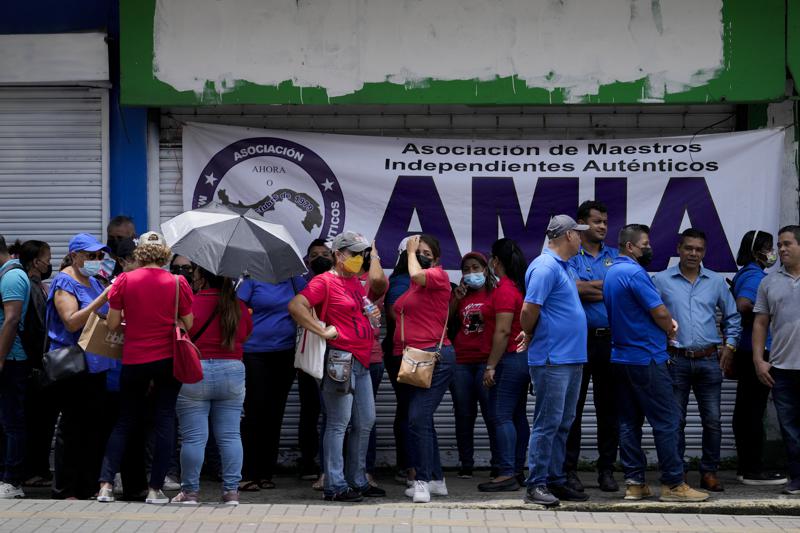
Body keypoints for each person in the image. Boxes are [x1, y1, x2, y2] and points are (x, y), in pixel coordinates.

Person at [604, 224, 708, 503]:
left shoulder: (611, 272)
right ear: (630, 247)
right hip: (646, 358)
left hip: (620, 357)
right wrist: (670, 328)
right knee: (668, 420)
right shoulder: (635, 273)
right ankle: (674, 484)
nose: (649, 248)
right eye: (645, 244)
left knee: (628, 422)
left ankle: (635, 483)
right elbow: (659, 311)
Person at [289, 231, 387, 502]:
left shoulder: (354, 282)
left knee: (365, 421)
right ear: (339, 254)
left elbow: (375, 291)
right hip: (340, 360)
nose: (359, 259)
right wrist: (320, 330)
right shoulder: (325, 282)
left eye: (361, 254)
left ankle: (357, 479)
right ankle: (335, 484)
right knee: (338, 423)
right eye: (354, 254)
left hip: (362, 360)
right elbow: (296, 306)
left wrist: (371, 316)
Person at [97, 231, 194, 504]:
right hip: (167, 359)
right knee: (164, 420)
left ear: (139, 254)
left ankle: (105, 485)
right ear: (164, 254)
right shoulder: (178, 282)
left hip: (134, 359)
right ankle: (155, 490)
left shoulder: (125, 280)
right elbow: (189, 322)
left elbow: (114, 324)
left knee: (125, 420)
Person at [653, 228, 741, 492]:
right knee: (674, 421)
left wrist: (730, 346)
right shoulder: (661, 281)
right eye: (688, 248)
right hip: (675, 360)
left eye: (698, 249)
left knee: (712, 420)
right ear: (678, 249)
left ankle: (709, 472)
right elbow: (650, 316)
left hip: (708, 360)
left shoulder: (715, 281)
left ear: (704, 252)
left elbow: (733, 317)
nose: (693, 253)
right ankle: (676, 473)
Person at [518, 215, 588, 507]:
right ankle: (536, 484)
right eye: (579, 233)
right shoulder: (546, 267)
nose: (582, 238)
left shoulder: (563, 266)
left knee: (563, 423)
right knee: (548, 423)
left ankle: (555, 479)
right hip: (552, 358)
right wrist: (530, 333)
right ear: (568, 235)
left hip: (570, 357)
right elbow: (528, 309)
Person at [171, 267, 253, 505]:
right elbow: (245, 335)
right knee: (230, 436)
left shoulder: (190, 304)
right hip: (232, 371)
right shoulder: (237, 305)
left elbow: (180, 333)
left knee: (194, 439)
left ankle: (190, 493)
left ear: (202, 278)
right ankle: (231, 493)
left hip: (195, 371)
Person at [47, 233, 115, 500]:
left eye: (99, 256)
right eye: (90, 255)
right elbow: (71, 322)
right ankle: (65, 490)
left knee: (94, 428)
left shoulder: (95, 281)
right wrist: (103, 299)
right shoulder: (65, 281)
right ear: (74, 256)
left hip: (96, 365)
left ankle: (87, 486)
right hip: (74, 367)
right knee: (73, 428)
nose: (96, 260)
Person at [564, 201, 620, 493]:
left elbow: (621, 288)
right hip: (579, 341)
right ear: (582, 224)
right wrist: (604, 287)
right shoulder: (572, 255)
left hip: (610, 341)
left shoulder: (616, 255)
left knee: (608, 411)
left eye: (605, 222)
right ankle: (570, 470)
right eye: (596, 221)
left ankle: (606, 470)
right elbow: (571, 289)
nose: (602, 227)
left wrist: (592, 287)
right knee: (572, 409)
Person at [393, 234, 454, 504]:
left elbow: (417, 275)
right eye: (418, 251)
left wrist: (410, 252)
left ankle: (421, 481)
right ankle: (437, 480)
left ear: (436, 258)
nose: (420, 254)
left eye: (425, 252)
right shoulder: (414, 288)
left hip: (433, 357)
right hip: (412, 358)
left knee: (417, 418)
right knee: (422, 419)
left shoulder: (437, 276)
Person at [237, 266, 307, 491]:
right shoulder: (251, 279)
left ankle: (266, 472)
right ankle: (248, 473)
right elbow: (237, 309)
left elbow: (309, 305)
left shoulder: (295, 280)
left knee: (275, 413)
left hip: (285, 353)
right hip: (254, 352)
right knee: (254, 412)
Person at [731, 230, 787, 485]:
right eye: (769, 247)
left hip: (746, 349)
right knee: (753, 411)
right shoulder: (755, 276)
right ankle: (752, 469)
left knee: (747, 409)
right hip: (755, 350)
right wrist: (766, 316)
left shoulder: (746, 273)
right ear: (757, 251)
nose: (773, 252)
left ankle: (747, 466)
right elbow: (743, 304)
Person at [478, 239, 528, 493]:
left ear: (496, 261)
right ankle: (517, 469)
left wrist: (490, 366)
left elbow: (503, 330)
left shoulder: (506, 290)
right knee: (517, 415)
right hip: (518, 360)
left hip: (509, 359)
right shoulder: (512, 287)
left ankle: (507, 472)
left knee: (501, 415)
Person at [753, 225, 800, 495]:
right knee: (790, 428)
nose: (781, 249)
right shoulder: (769, 281)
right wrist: (759, 360)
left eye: (787, 244)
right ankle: (797, 478)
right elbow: (760, 322)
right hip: (782, 368)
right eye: (779, 245)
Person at [448, 251, 497, 481]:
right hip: (461, 362)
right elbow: (445, 323)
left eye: (476, 268)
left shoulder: (495, 293)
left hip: (486, 361)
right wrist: (455, 299)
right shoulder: (459, 295)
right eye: (466, 270)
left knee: (492, 413)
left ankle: (498, 462)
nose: (471, 273)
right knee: (464, 414)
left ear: (485, 270)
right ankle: (466, 463)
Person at [17, 240, 57, 489]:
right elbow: (37, 328)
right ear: (36, 262)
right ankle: (34, 470)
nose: (49, 262)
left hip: (38, 364)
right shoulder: (31, 288)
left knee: (42, 420)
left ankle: (37, 468)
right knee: (39, 421)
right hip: (36, 366)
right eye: (47, 258)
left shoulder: (38, 286)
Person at [0, 235, 32, 498]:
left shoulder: (12, 277)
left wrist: (0, 357)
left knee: (12, 421)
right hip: (5, 359)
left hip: (11, 360)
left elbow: (11, 321)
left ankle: (13, 481)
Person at [382, 238, 413, 483]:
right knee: (408, 408)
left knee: (413, 408)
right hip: (403, 353)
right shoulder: (402, 281)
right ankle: (406, 465)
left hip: (415, 352)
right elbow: (394, 313)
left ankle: (412, 463)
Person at [301, 239, 331, 487]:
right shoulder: (301, 283)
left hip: (332, 353)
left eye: (325, 254)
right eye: (314, 254)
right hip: (309, 353)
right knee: (310, 409)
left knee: (331, 412)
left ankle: (328, 466)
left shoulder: (337, 282)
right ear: (307, 259)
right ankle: (308, 461)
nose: (320, 258)